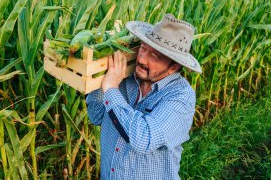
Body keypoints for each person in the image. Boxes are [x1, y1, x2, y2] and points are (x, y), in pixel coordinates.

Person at [86, 13, 202, 180]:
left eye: (154, 56)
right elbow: (96, 116)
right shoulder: (125, 78)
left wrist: (111, 88)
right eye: (143, 48)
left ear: (173, 67)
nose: (141, 59)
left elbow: (143, 139)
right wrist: (99, 74)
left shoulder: (181, 97)